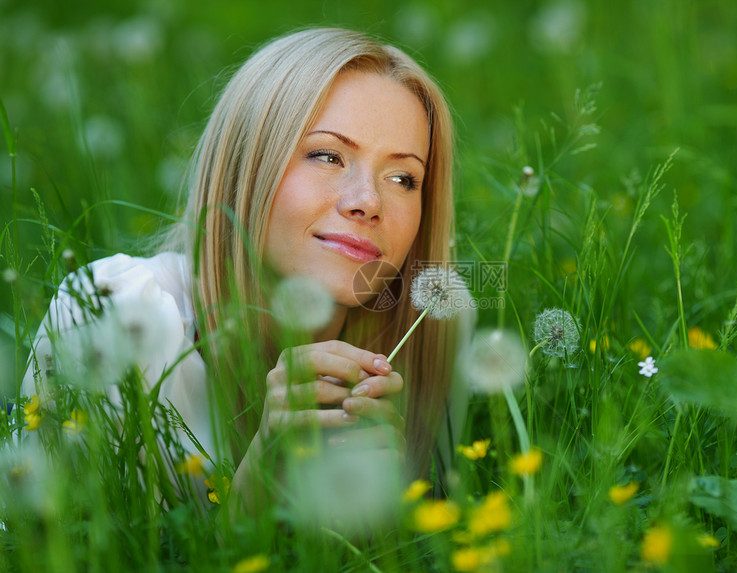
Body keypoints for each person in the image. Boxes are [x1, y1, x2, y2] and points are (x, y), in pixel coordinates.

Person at [21, 28, 470, 517]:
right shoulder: (117, 317)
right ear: (247, 163)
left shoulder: (434, 329)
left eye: (403, 178)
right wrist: (255, 492)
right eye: (327, 155)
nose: (367, 201)